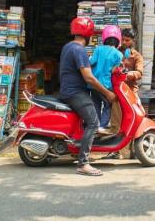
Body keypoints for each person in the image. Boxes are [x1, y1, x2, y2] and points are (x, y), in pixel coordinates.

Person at [58, 17, 117, 176]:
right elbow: (89, 77)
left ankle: (78, 148)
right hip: (74, 93)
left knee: (87, 120)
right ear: (88, 34)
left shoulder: (68, 47)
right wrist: (107, 93)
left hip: (68, 91)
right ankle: (83, 163)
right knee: (93, 122)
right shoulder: (79, 50)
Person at [102, 28, 145, 160]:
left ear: (133, 41)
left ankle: (135, 150)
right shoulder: (115, 51)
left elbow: (139, 72)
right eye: (124, 40)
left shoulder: (137, 56)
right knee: (116, 120)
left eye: (128, 40)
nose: (125, 42)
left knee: (136, 118)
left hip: (131, 91)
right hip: (117, 91)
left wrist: (130, 74)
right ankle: (114, 151)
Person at [89, 25, 124, 134]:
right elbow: (114, 70)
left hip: (93, 84)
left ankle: (96, 124)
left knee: (96, 104)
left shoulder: (98, 49)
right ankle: (102, 125)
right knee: (108, 104)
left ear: (104, 38)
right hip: (106, 85)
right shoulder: (119, 54)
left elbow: (91, 62)